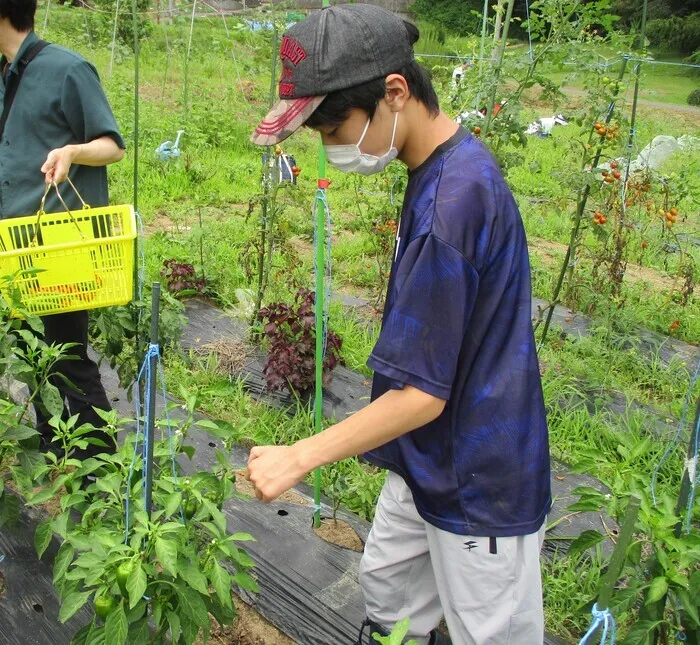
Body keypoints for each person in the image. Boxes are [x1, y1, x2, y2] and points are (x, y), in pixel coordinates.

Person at [247, 5, 551, 645]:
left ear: (395, 92)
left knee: (487, 631)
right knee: (391, 592)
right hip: (430, 457)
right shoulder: (439, 169)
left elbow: (423, 393)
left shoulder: (452, 204)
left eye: (334, 128)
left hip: (479, 478)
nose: (331, 149)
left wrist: (299, 457)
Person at [0, 0, 125, 458]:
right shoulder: (5, 72)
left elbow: (112, 146)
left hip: (60, 244)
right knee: (32, 353)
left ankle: (99, 467)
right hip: (13, 244)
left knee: (67, 354)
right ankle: (56, 450)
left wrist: (72, 151)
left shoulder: (67, 69)